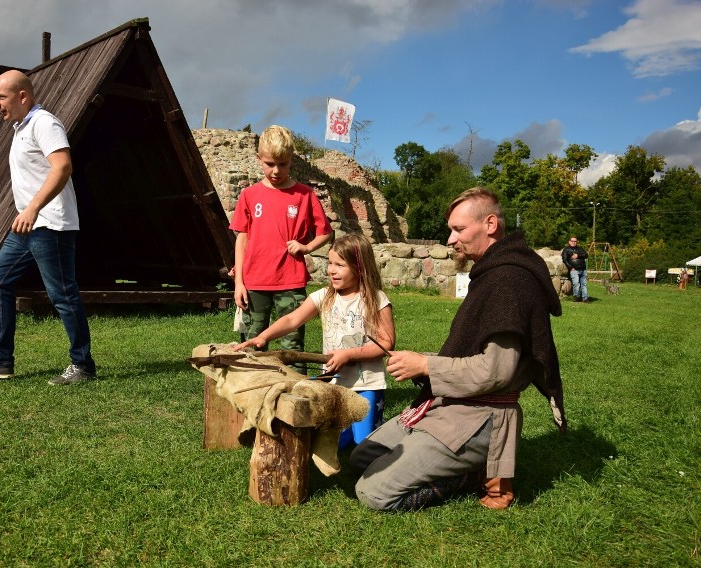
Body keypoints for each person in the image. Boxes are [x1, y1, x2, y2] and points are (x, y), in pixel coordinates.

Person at [350, 187, 566, 512]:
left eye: (458, 229)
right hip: (448, 403)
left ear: (490, 224)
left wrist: (425, 366)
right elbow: (470, 358)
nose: (450, 240)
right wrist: (421, 361)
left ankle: (472, 474)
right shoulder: (492, 273)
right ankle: (431, 452)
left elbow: (496, 371)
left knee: (373, 492)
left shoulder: (508, 280)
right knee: (362, 458)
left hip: (479, 418)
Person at [0, 70, 96, 386]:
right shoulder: (20, 128)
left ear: (23, 96)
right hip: (27, 226)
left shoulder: (45, 123)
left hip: (51, 224)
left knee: (62, 294)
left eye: (1, 97)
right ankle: (1, 361)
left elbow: (62, 167)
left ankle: (83, 365)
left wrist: (33, 208)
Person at [234, 233, 395, 447]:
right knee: (333, 442)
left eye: (340, 265)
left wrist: (348, 354)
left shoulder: (375, 299)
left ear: (359, 267)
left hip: (366, 385)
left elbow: (386, 342)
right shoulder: (324, 296)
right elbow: (292, 319)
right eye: (330, 263)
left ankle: (382, 429)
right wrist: (263, 336)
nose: (332, 270)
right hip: (332, 383)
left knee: (364, 443)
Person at [229, 125, 332, 365]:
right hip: (254, 281)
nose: (276, 171)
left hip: (290, 280)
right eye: (269, 164)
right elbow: (241, 240)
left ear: (291, 161)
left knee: (292, 343)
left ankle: (296, 393)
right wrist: (239, 283)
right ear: (259, 160)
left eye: (282, 164)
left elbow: (325, 233)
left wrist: (306, 248)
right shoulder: (249, 195)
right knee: (253, 340)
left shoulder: (304, 195)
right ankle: (251, 391)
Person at [561, 236, 590, 302]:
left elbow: (586, 255)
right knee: (576, 284)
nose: (574, 242)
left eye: (575, 241)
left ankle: (585, 298)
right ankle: (576, 297)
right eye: (572, 241)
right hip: (574, 270)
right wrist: (571, 267)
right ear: (569, 242)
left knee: (584, 284)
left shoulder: (580, 249)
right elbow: (564, 260)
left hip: (583, 269)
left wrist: (578, 255)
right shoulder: (566, 250)